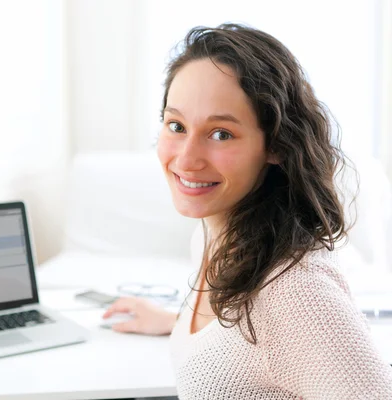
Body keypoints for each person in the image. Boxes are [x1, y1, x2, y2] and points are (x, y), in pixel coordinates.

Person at [102, 23, 392, 399]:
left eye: (221, 133)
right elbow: (244, 348)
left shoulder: (295, 293)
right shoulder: (214, 234)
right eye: (176, 126)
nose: (187, 159)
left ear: (276, 145)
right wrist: (172, 322)